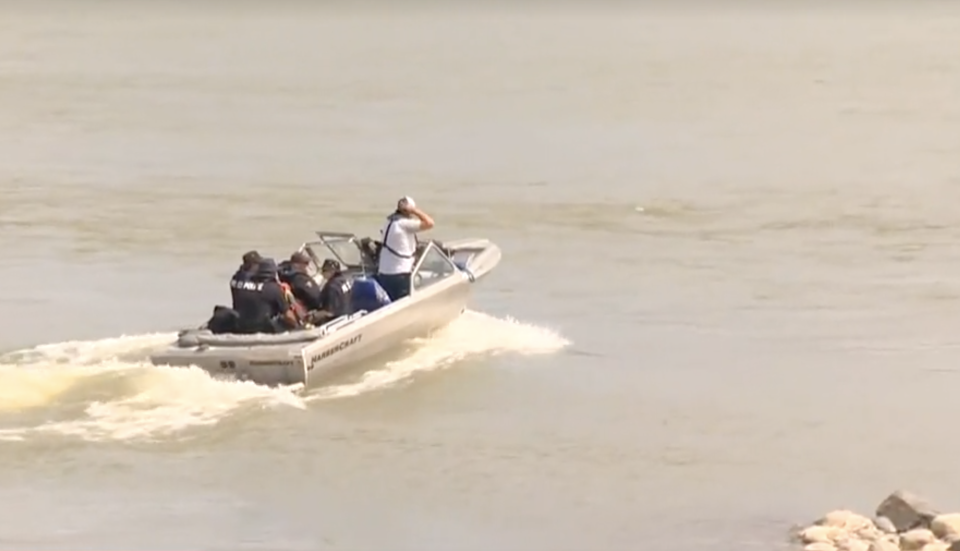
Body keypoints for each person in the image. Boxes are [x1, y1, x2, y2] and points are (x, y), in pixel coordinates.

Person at [376, 195, 434, 301]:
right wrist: (416, 211)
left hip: (384, 273)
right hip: (400, 273)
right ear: (409, 211)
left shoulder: (388, 221)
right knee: (403, 303)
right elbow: (430, 223)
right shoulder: (405, 224)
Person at [232, 258, 298, 334]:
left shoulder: (243, 286)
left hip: (241, 326)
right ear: (272, 273)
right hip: (263, 328)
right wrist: (297, 326)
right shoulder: (274, 289)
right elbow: (288, 316)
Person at [311, 258, 352, 325]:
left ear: (331, 271)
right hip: (348, 316)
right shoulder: (344, 280)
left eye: (324, 271)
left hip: (336, 322)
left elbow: (330, 312)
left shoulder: (332, 287)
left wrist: (314, 315)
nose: (323, 273)